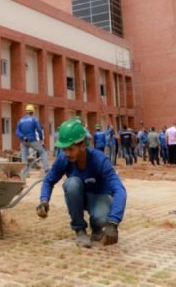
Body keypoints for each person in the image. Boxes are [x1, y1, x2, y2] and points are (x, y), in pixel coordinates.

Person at [36, 118, 127, 248]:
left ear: (83, 146)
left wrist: (113, 223)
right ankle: (80, 230)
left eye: (71, 149)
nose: (67, 153)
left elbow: (119, 190)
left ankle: (97, 228)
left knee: (101, 219)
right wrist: (44, 200)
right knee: (71, 183)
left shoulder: (99, 159)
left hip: (99, 196)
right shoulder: (64, 159)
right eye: (64, 149)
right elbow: (48, 180)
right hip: (78, 197)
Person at [16, 104, 49, 177]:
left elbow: (17, 131)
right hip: (32, 140)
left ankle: (25, 174)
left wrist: (23, 136)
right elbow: (39, 129)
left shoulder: (21, 120)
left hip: (24, 141)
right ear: (33, 112)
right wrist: (41, 138)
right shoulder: (34, 119)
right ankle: (47, 170)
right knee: (42, 152)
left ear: (26, 112)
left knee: (24, 156)